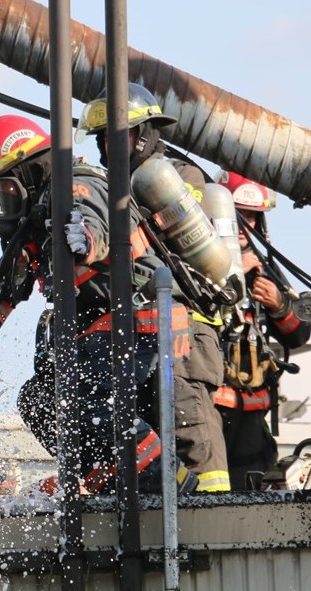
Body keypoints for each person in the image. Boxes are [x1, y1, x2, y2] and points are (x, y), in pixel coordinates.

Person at [0, 113, 188, 494]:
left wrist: (85, 241)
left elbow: (92, 225)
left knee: (82, 397)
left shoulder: (76, 187)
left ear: (29, 170)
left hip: (141, 318)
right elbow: (7, 281)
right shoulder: (37, 214)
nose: (4, 201)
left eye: (6, 190)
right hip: (103, 327)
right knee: (39, 400)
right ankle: (101, 472)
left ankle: (165, 476)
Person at [76, 83, 231, 493]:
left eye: (117, 134)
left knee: (189, 429)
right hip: (143, 332)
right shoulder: (105, 186)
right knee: (144, 434)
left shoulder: (177, 178)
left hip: (187, 331)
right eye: (103, 138)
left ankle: (216, 520)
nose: (108, 146)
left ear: (145, 134)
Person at [213, 172, 311, 490]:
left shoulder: (265, 270)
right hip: (210, 410)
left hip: (253, 420)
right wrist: (227, 276)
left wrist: (280, 305)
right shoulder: (195, 264)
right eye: (237, 215)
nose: (245, 225)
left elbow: (297, 335)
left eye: (251, 216)